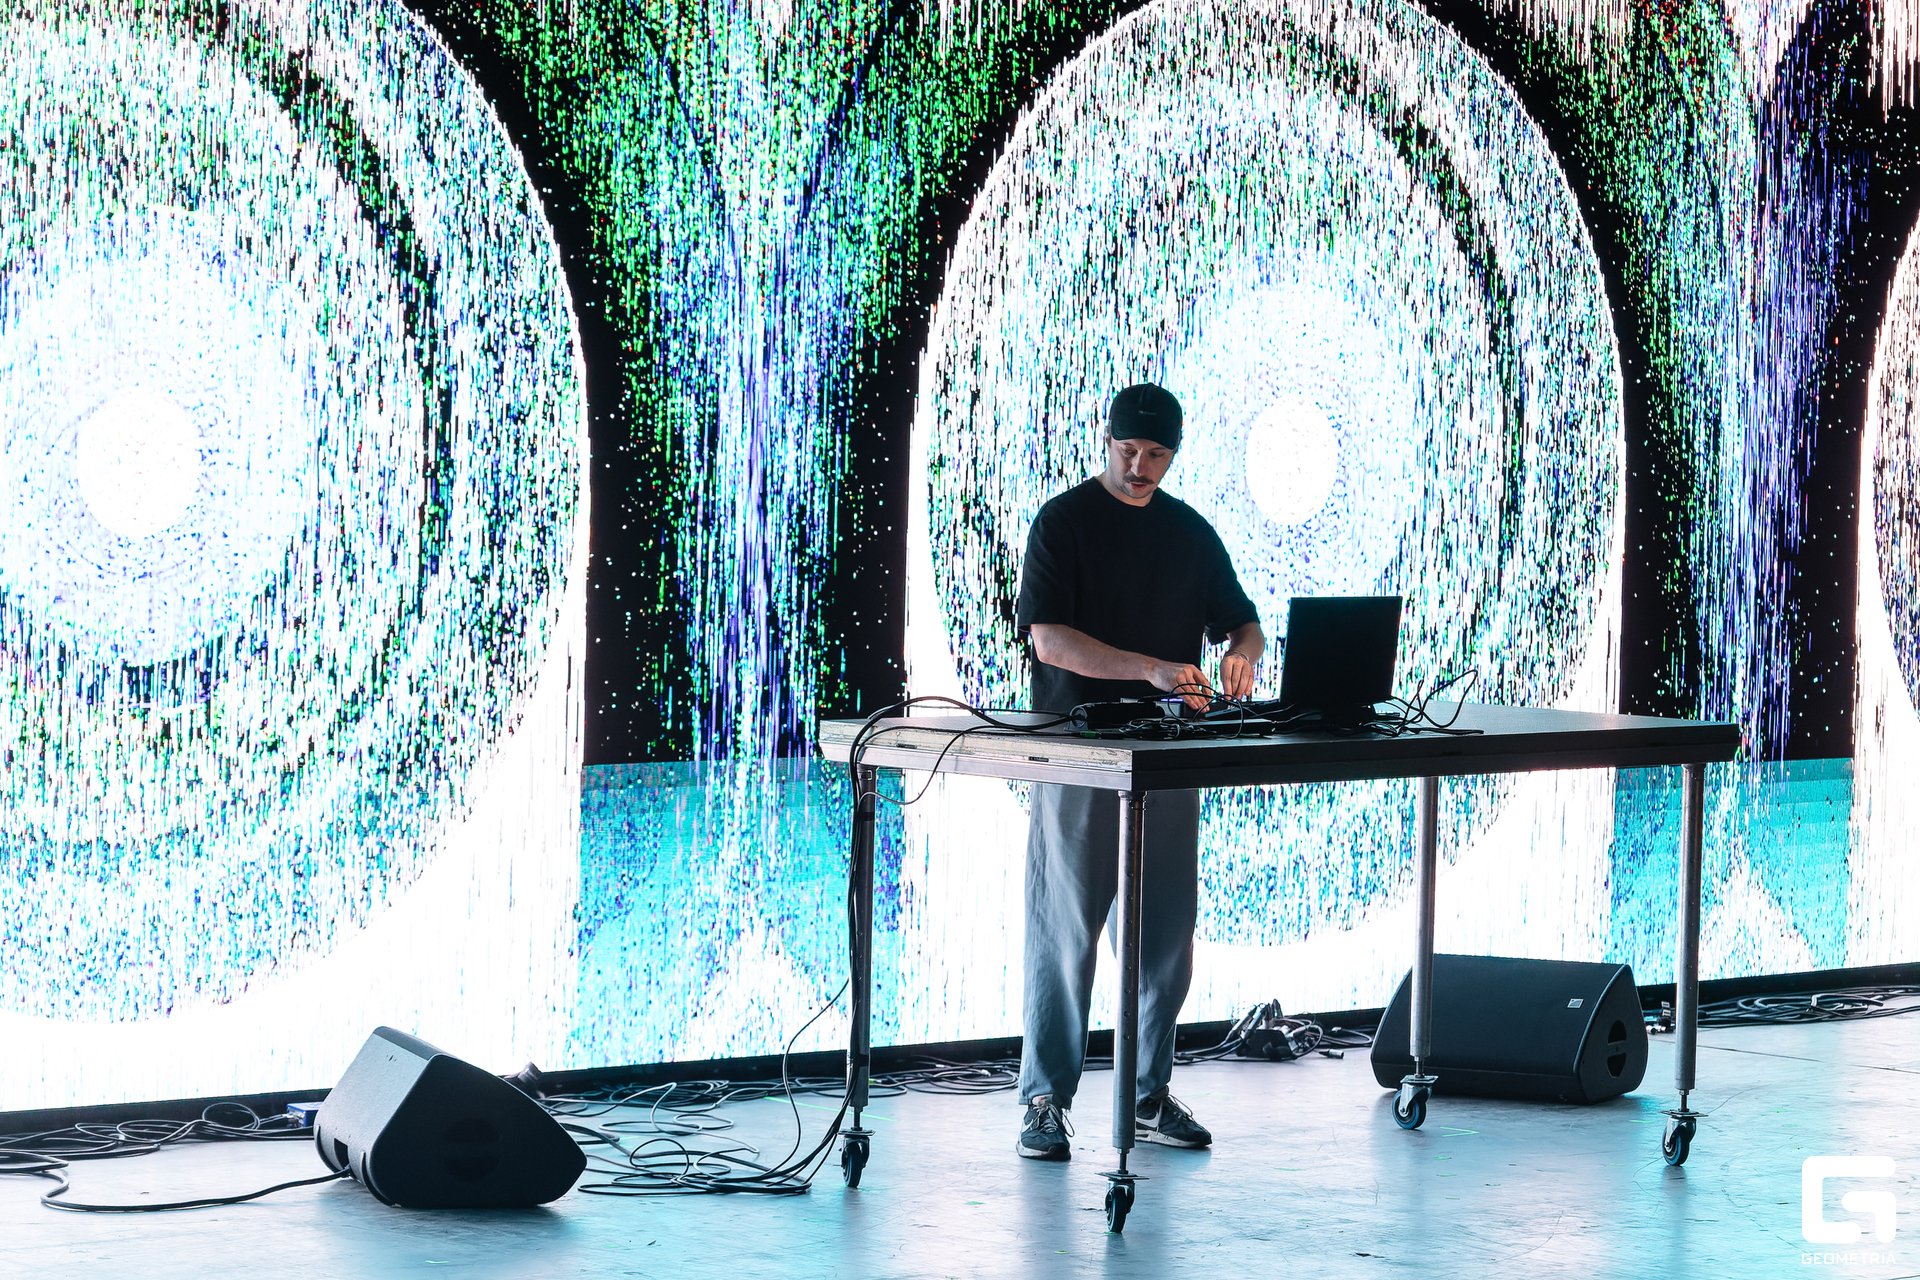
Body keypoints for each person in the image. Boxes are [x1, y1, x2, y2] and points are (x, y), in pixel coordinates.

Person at [1010, 382, 1265, 1161]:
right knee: (1066, 934)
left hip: (1169, 750)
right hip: (1078, 748)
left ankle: (1148, 1093)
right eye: (1128, 450)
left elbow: (1244, 622)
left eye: (1157, 454)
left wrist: (1242, 655)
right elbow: (1049, 640)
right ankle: (1045, 1100)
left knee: (1165, 941)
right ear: (1106, 437)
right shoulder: (1063, 522)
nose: (1140, 466)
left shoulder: (1190, 532)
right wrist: (1150, 668)